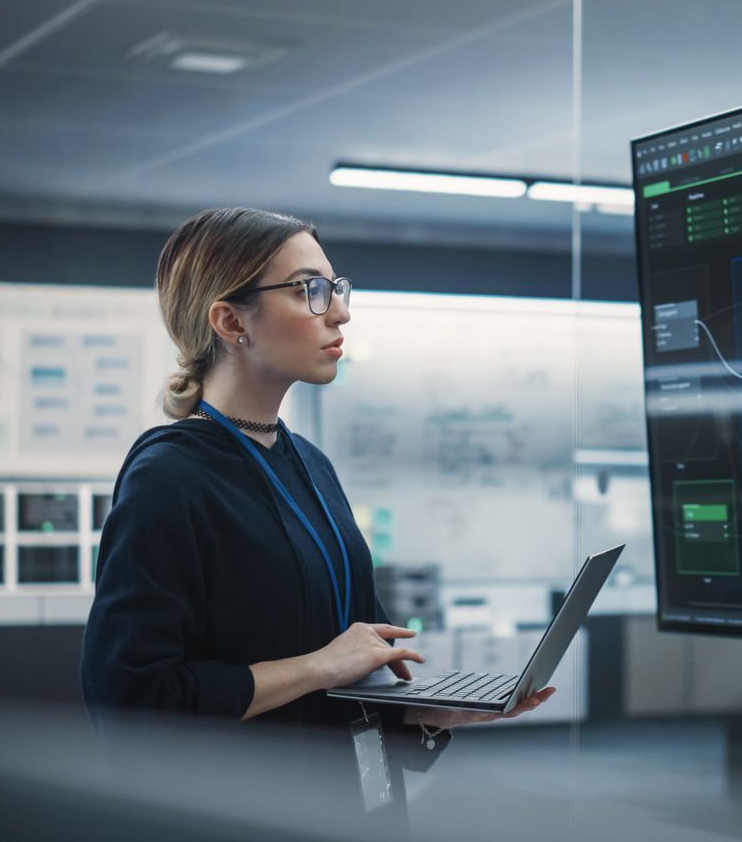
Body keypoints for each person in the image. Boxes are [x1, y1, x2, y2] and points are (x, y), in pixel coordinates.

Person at [80, 207, 554, 800]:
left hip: (348, 806)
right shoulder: (169, 477)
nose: (340, 312)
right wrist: (319, 666)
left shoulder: (309, 463)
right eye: (309, 290)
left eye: (335, 288)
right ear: (231, 321)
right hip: (245, 826)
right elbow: (130, 701)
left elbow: (345, 675)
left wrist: (425, 711)